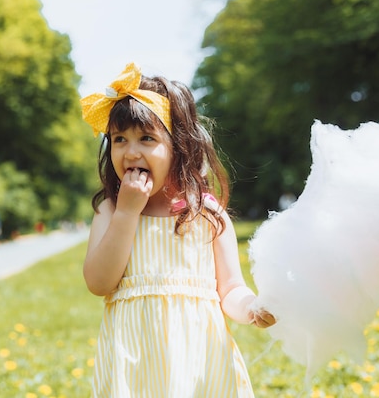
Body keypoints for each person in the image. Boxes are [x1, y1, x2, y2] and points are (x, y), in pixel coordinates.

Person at [80, 62, 276, 397]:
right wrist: (128, 212)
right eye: (119, 139)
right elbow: (99, 282)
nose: (130, 152)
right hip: (135, 366)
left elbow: (230, 288)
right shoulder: (111, 211)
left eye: (146, 138)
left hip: (200, 363)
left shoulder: (206, 213)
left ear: (179, 145)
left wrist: (252, 307)